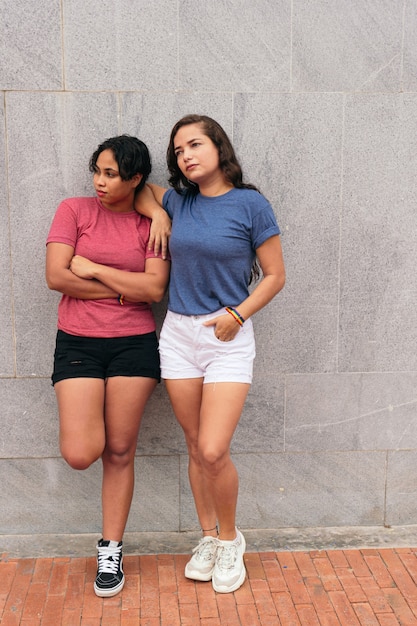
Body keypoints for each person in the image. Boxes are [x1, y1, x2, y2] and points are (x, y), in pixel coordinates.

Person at [136, 114, 285, 593]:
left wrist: (238, 314)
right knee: (194, 443)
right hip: (178, 334)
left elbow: (275, 275)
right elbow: (139, 191)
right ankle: (206, 536)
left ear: (218, 147)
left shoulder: (250, 204)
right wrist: (160, 212)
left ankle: (230, 538)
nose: (186, 156)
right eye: (178, 151)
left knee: (213, 448)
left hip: (227, 336)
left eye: (195, 144)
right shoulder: (179, 200)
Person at [45, 135, 170, 598]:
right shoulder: (73, 210)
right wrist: (125, 288)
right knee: (81, 453)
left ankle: (111, 549)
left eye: (111, 174)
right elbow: (57, 276)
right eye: (97, 170)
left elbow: (154, 290)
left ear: (136, 179)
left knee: (120, 451)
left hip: (133, 345)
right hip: (77, 340)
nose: (99, 181)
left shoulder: (150, 224)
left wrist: (93, 270)